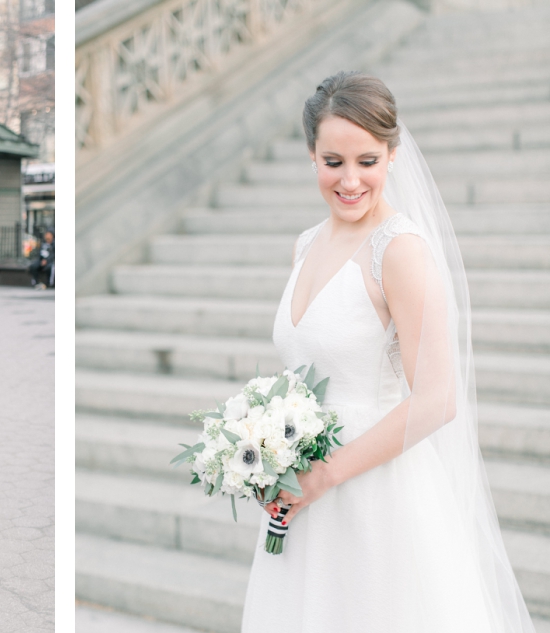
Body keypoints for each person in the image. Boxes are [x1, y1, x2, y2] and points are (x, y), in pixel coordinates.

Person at [242, 72, 534, 632]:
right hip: (301, 491)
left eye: (367, 161)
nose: (350, 180)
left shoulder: (400, 252)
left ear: (392, 156)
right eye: (333, 162)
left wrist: (324, 476)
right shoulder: (305, 244)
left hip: (375, 492)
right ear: (311, 155)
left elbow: (436, 399)